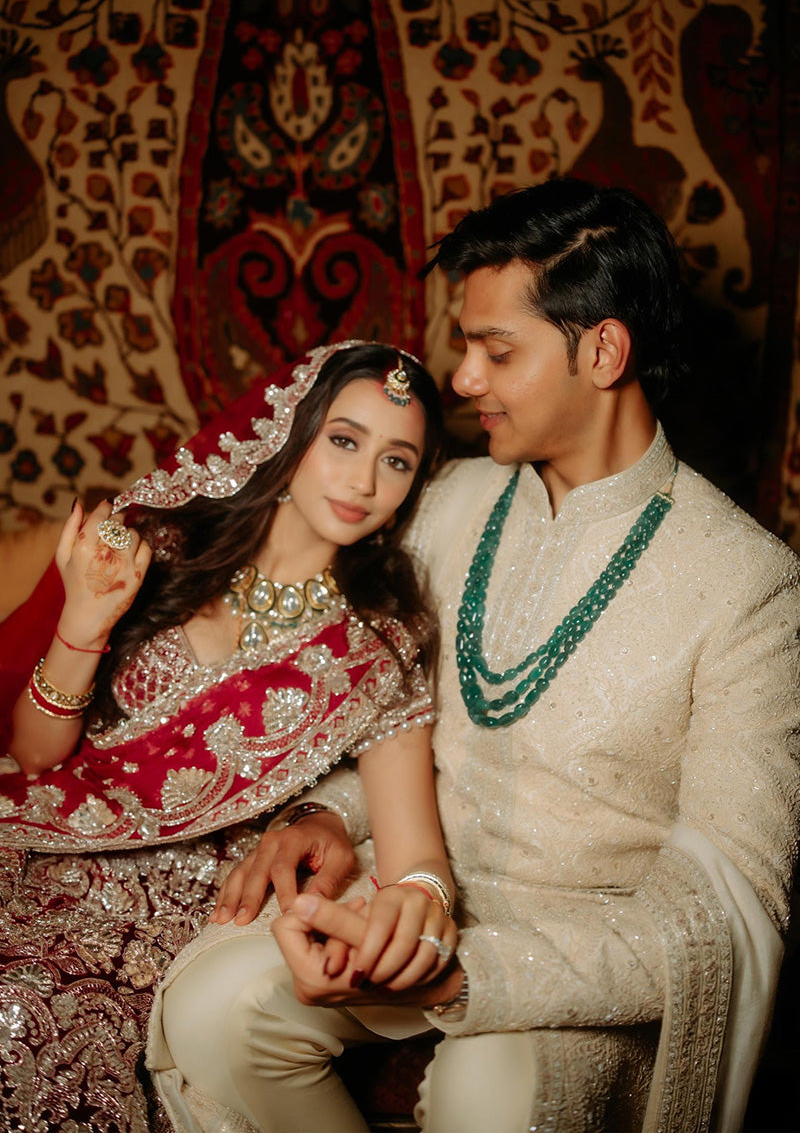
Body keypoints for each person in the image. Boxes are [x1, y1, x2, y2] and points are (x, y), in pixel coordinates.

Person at [151, 178, 800, 1133]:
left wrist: (474, 973)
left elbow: (722, 909)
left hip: (574, 961)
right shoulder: (449, 501)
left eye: (499, 350)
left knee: (482, 1096)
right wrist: (327, 819)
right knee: (214, 1009)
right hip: (409, 892)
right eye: (467, 344)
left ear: (605, 351)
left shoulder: (750, 585)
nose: (461, 380)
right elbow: (389, 715)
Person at [0, 341, 456, 1133]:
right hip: (28, 852)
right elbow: (38, 754)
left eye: (397, 460)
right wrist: (85, 619)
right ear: (293, 431)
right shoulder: (161, 547)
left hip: (158, 914)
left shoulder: (376, 647)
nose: (361, 480)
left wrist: (422, 907)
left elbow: (417, 854)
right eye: (343, 440)